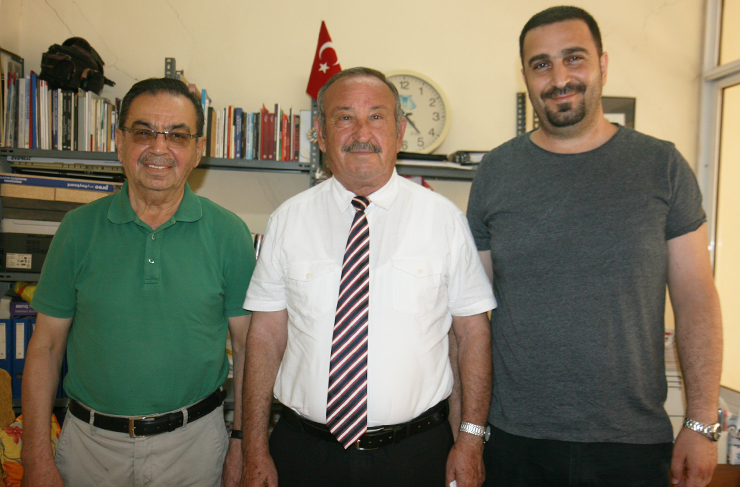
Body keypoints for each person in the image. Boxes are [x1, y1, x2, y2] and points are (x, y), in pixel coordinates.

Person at [467, 6, 723, 487]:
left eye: (574, 58)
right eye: (541, 64)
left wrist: (701, 422)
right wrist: (468, 431)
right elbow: (471, 316)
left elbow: (696, 299)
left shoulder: (662, 165)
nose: (559, 78)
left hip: (631, 446)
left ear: (602, 64)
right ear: (525, 76)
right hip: (515, 442)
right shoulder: (496, 172)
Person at [240, 67, 496, 487]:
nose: (362, 132)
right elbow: (265, 337)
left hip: (417, 453)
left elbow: (473, 335)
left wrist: (470, 440)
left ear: (399, 131)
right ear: (321, 134)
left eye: (376, 116)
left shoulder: (444, 220)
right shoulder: (288, 220)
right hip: (304, 452)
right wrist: (253, 448)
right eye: (344, 117)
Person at [20, 78, 256, 487]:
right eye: (144, 132)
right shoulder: (77, 230)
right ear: (119, 142)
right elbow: (46, 346)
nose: (159, 148)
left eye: (177, 135)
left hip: (195, 449)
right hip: (88, 449)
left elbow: (250, 347)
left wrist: (243, 443)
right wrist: (36, 455)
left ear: (198, 149)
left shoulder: (229, 234)